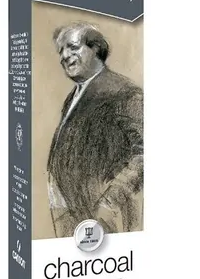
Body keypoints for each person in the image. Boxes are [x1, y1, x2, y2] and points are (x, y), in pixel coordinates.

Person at [47, 22, 143, 238]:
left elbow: (143, 154)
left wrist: (110, 202)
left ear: (96, 48)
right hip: (73, 220)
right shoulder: (72, 97)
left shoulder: (124, 92)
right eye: (61, 51)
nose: (64, 56)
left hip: (106, 221)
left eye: (72, 47)